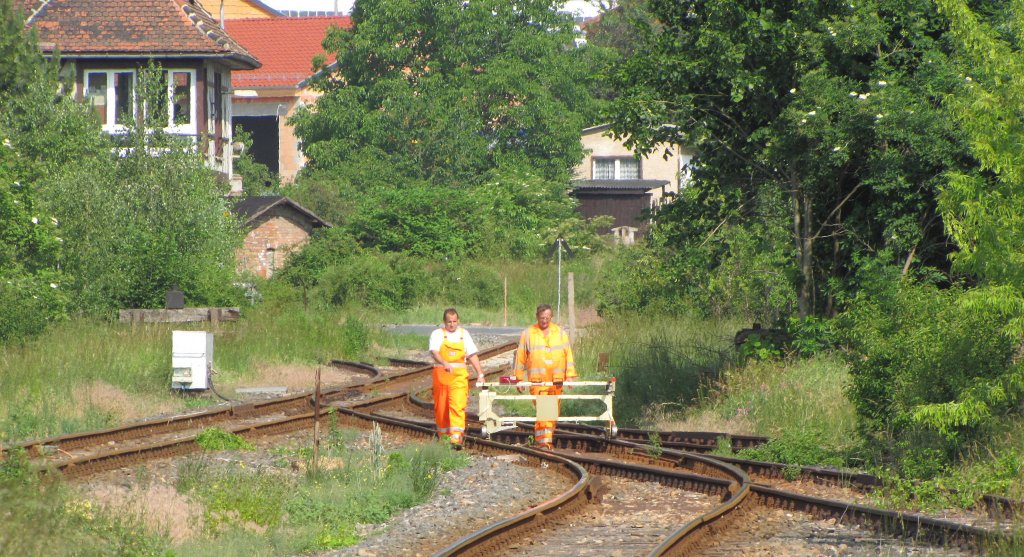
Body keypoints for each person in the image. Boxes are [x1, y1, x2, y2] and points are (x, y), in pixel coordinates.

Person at [514, 304, 576, 450]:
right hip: (538, 380)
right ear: (537, 317)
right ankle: (544, 443)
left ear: (551, 317)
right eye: (542, 318)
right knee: (546, 410)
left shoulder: (560, 333)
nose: (544, 321)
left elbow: (568, 355)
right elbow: (520, 357)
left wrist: (570, 376)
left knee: (553, 413)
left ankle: (545, 440)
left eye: (547, 318)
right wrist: (518, 378)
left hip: (557, 380)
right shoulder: (528, 334)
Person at [429, 308, 485, 449]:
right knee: (441, 409)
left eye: (454, 321)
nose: (452, 324)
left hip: (458, 378)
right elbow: (434, 352)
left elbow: (472, 355)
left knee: (457, 405)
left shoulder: (464, 334)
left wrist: (480, 373)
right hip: (441, 378)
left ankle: (456, 438)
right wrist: (444, 363)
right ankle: (444, 437)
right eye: (449, 322)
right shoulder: (437, 334)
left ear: (458, 321)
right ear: (444, 322)